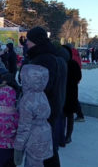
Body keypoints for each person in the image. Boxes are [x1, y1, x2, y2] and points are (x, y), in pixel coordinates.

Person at [22, 26, 68, 167]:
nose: (26, 43)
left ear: (36, 41)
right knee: (49, 146)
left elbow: (36, 89)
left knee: (42, 150)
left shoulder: (42, 60)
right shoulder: (56, 57)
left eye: (28, 40)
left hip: (42, 112)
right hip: (53, 107)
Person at [14, 64, 53, 167]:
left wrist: (18, 148)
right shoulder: (41, 93)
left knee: (32, 163)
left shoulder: (27, 100)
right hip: (45, 134)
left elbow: (24, 127)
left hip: (33, 138)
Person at [62, 46, 82, 144]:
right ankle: (68, 136)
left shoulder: (62, 63)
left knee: (64, 115)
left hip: (64, 92)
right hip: (72, 92)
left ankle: (63, 135)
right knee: (69, 116)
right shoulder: (74, 64)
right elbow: (79, 76)